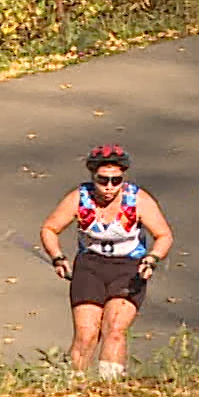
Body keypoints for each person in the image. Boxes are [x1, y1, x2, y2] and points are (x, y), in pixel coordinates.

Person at [38, 144, 173, 381]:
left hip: (129, 269)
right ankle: (73, 387)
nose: (109, 187)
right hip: (90, 268)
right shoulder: (79, 198)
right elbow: (50, 228)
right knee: (86, 334)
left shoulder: (137, 199)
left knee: (114, 330)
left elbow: (164, 235)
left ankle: (110, 389)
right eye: (103, 180)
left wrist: (152, 259)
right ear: (93, 176)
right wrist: (57, 256)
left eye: (116, 180)